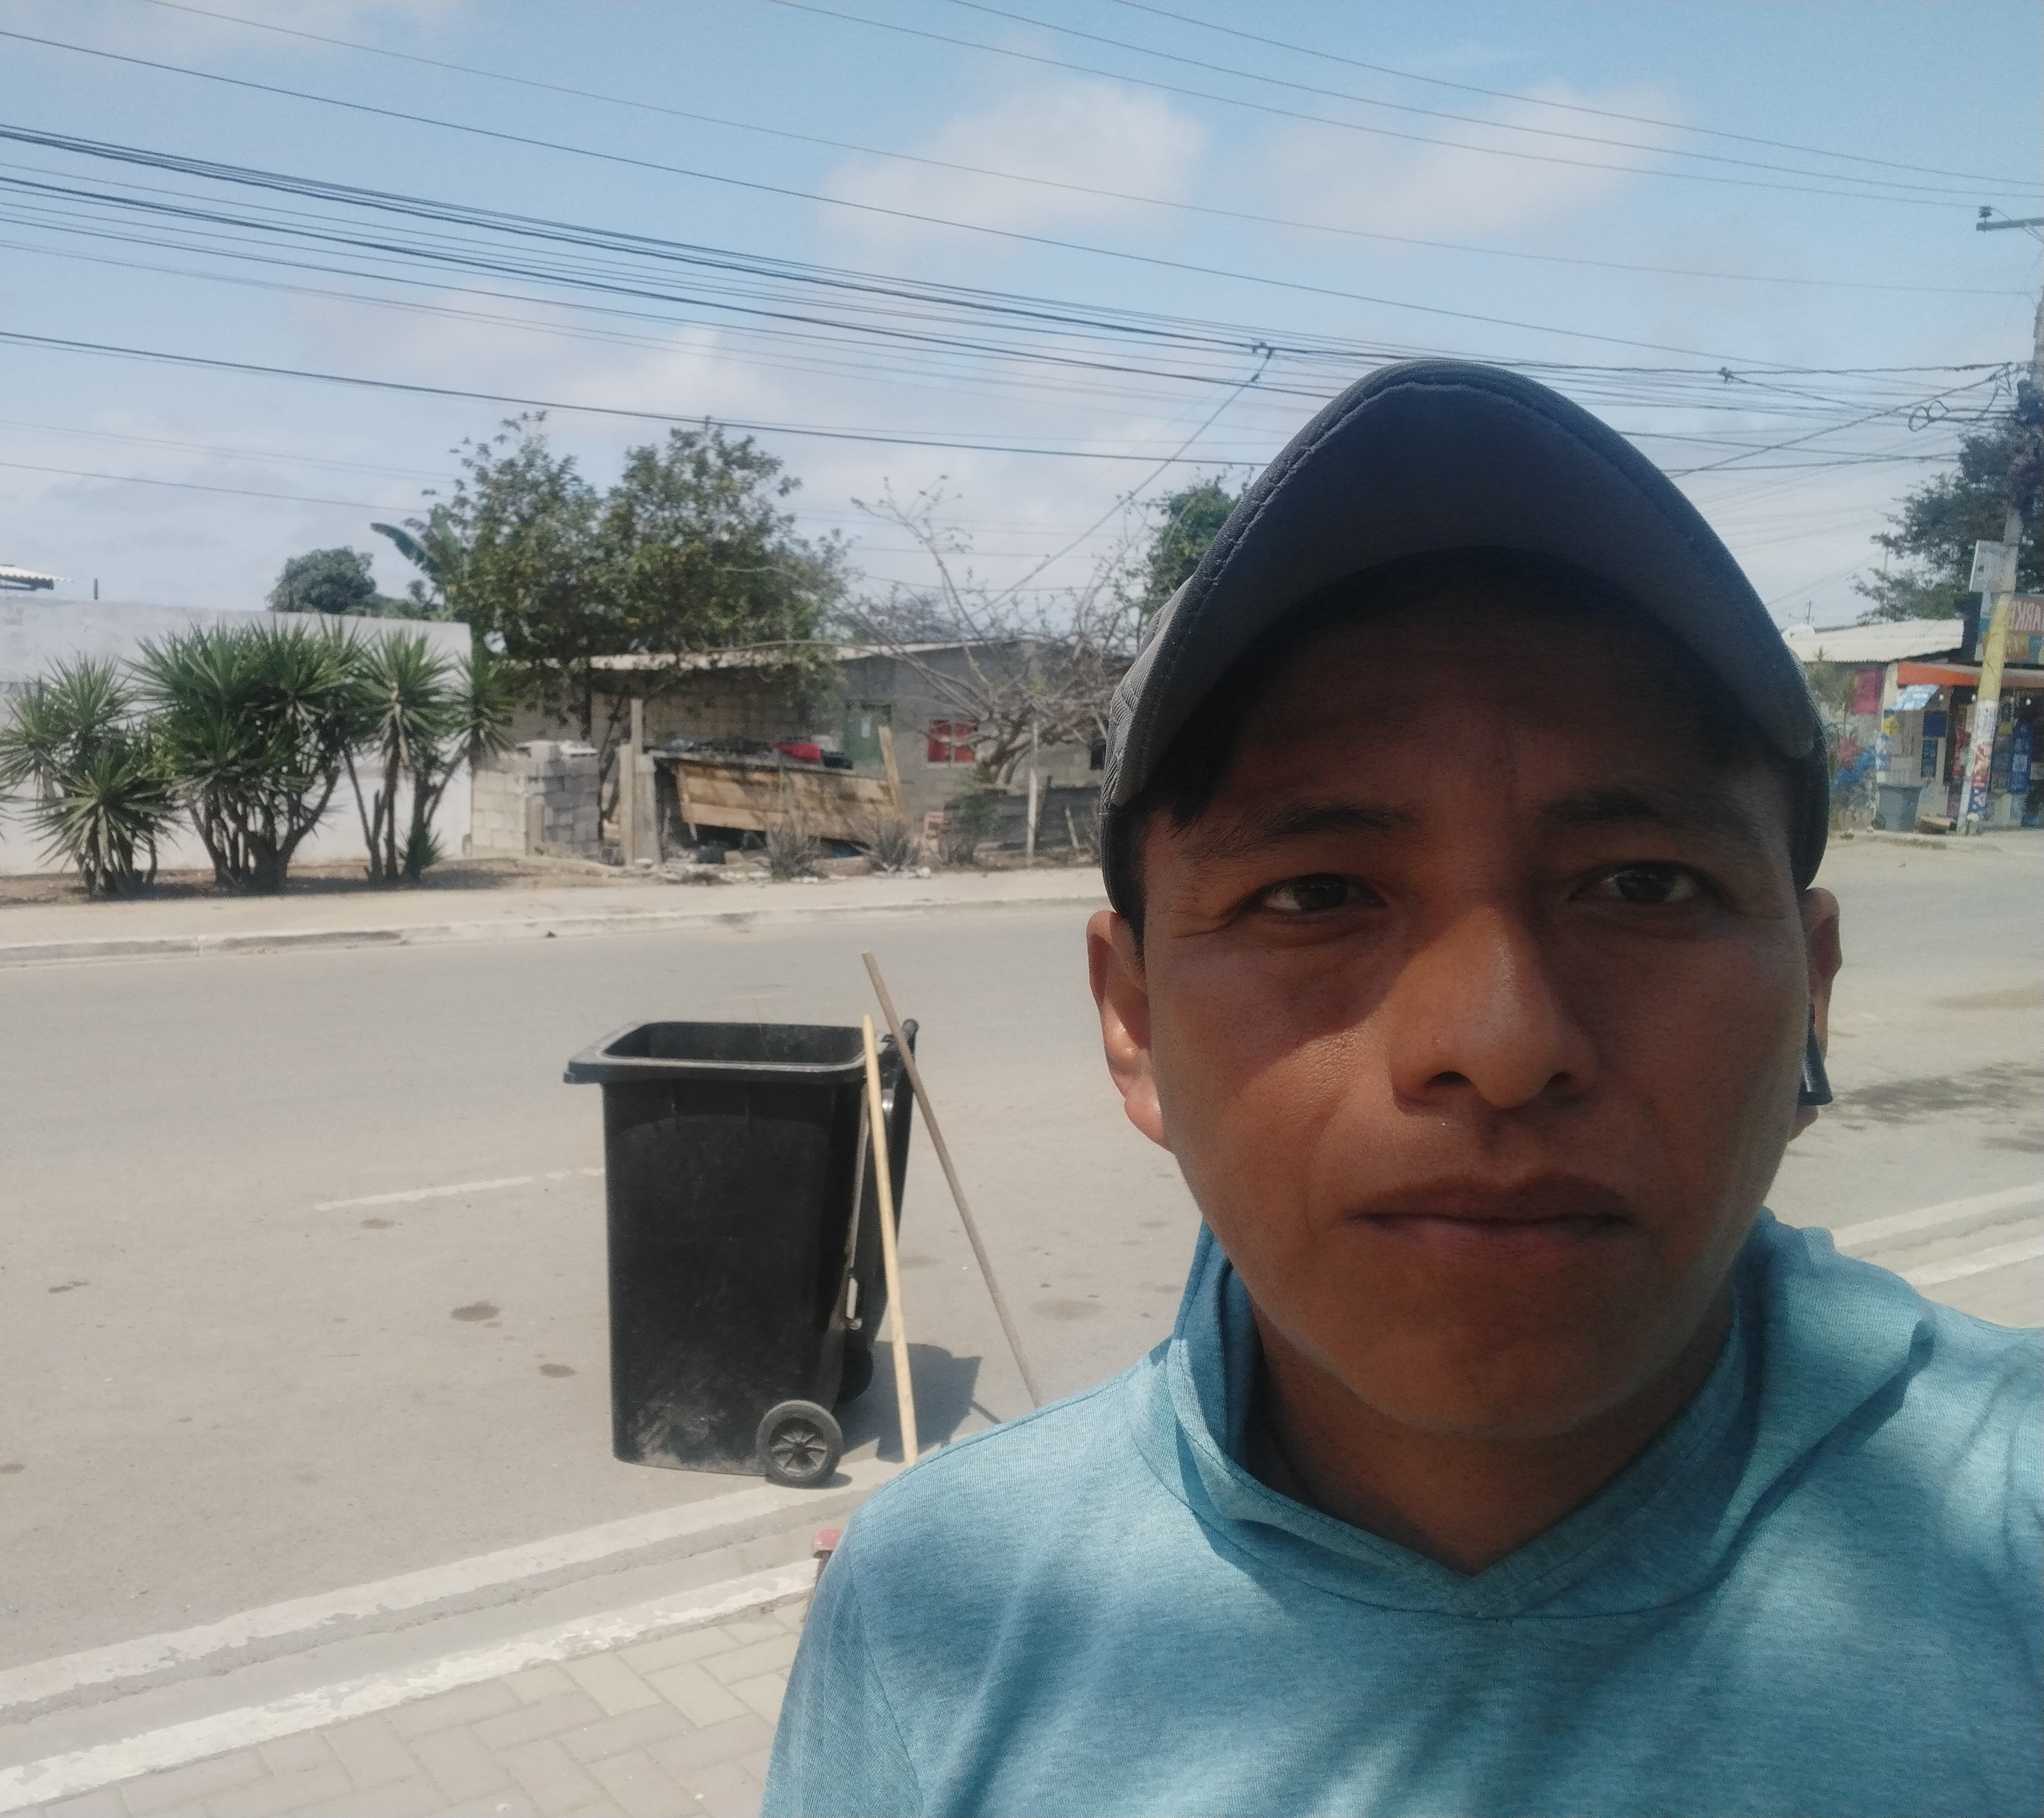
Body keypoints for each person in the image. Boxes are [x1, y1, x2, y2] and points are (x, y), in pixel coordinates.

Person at [761, 362, 2041, 1818]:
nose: (1499, 1042)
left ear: (1809, 1001)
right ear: (1134, 1025)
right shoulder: (937, 1608)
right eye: (1314, 893)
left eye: (1643, 884)